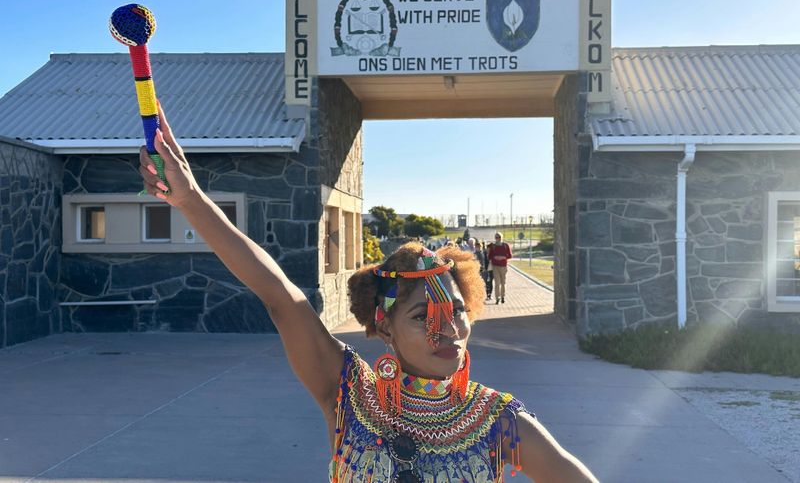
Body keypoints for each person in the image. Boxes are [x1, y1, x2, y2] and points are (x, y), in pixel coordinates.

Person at [138, 104, 598, 483]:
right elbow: (281, 297)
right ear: (384, 325)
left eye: (457, 311)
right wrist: (192, 199)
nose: (449, 329)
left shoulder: (500, 421)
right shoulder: (348, 394)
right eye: (421, 317)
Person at [487, 232, 512, 304]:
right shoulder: (493, 246)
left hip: (503, 266)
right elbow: (489, 257)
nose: (498, 239)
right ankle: (497, 298)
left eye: (499, 237)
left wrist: (503, 257)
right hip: (495, 266)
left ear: (501, 238)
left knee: (503, 283)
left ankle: (503, 296)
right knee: (497, 283)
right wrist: (494, 257)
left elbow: (510, 255)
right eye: (496, 237)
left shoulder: (505, 245)